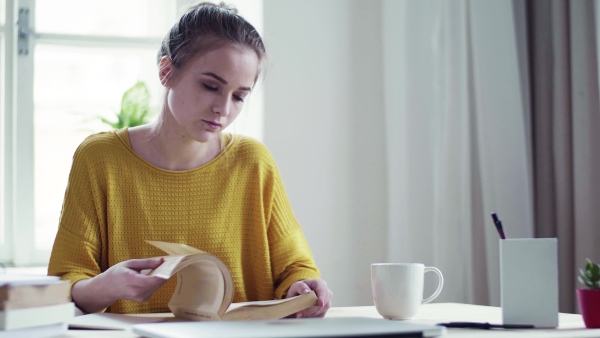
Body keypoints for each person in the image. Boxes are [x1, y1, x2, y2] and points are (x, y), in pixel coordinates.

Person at [47, 2, 333, 318]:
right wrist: (105, 287)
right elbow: (65, 282)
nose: (224, 109)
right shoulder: (100, 159)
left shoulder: (253, 162)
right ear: (166, 71)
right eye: (211, 86)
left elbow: (295, 267)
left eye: (239, 96)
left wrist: (304, 286)